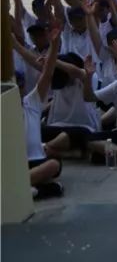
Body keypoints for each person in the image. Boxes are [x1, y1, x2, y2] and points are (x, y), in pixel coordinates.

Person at [19, 25, 64, 199]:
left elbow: (48, 73)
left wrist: (53, 45)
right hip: (14, 163)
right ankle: (36, 191)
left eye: (21, 86)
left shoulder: (31, 102)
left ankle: (18, 188)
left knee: (53, 164)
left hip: (36, 161)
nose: (19, 89)